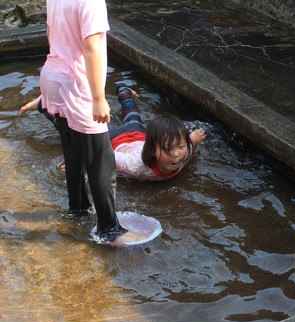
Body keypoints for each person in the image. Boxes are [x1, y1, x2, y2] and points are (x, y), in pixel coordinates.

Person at [28, 0, 125, 244]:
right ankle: (108, 230)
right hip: (76, 85)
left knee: (73, 154)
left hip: (53, 75)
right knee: (101, 161)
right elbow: (91, 46)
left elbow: (51, 34)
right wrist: (99, 97)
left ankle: (78, 210)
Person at [21, 83, 207, 181]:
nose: (176, 154)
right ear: (153, 151)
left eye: (179, 147)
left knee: (134, 119)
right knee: (77, 136)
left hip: (139, 136)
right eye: (168, 150)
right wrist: (79, 165)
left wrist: (194, 138)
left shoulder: (185, 152)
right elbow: (104, 156)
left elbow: (189, 141)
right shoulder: (136, 165)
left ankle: (124, 90)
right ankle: (44, 107)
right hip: (116, 142)